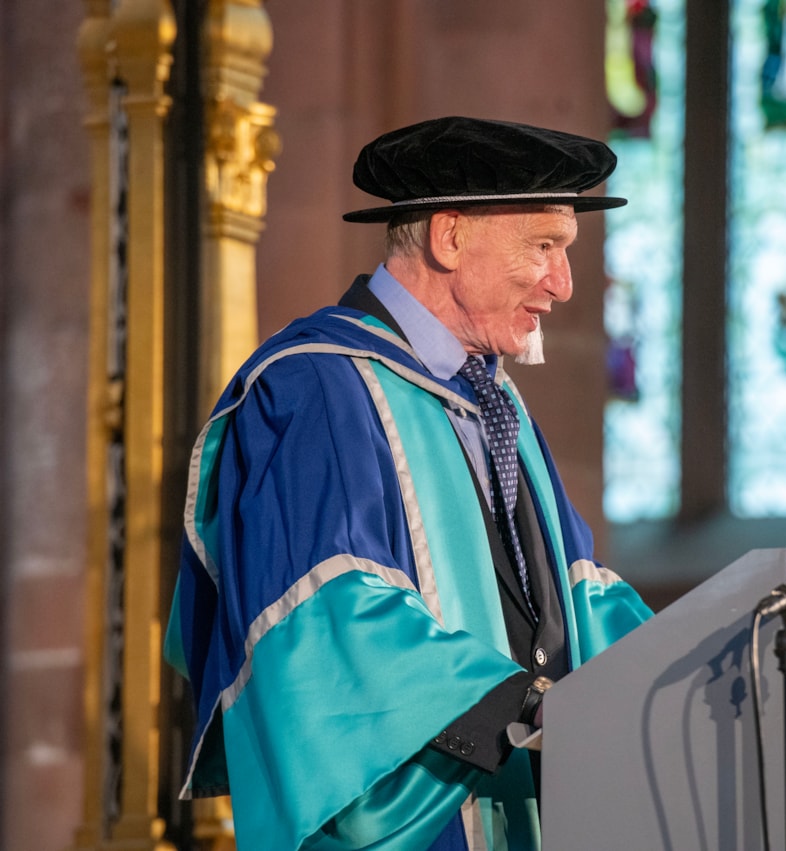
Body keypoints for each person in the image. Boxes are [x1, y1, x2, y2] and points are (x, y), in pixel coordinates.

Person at [164, 116, 653, 851]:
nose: (564, 282)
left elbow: (577, 600)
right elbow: (328, 624)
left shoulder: (491, 400)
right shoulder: (313, 387)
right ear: (450, 237)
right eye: (544, 247)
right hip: (411, 827)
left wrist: (708, 672)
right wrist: (527, 707)